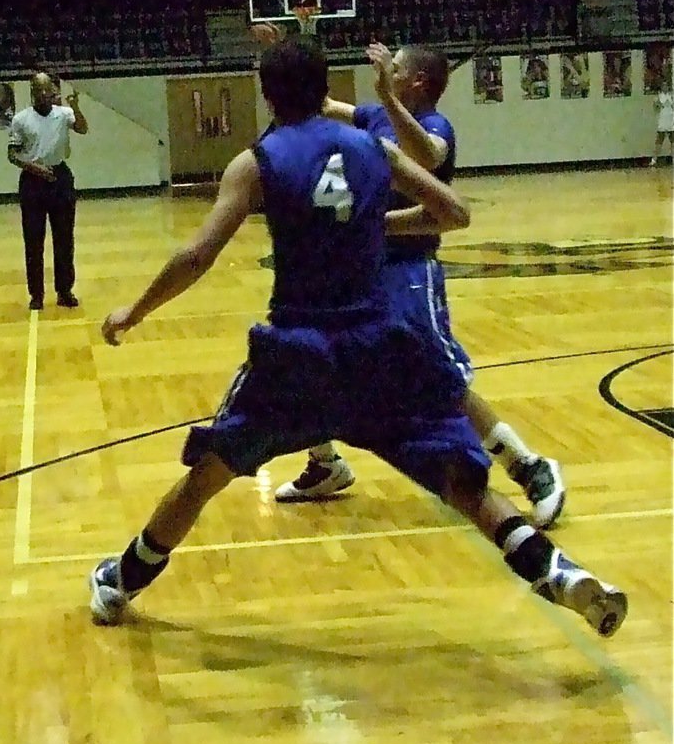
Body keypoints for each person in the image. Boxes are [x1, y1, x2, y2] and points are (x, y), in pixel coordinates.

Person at [87, 36, 627, 639]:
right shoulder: (373, 146)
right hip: (380, 346)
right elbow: (453, 213)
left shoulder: (256, 160)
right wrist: (377, 222)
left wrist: (134, 310)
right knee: (462, 484)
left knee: (209, 473)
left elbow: (197, 255)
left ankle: (121, 580)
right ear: (327, 91)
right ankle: (552, 567)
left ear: (266, 95)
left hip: (298, 351)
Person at [269, 39, 565, 530]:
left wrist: (372, 218)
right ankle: (325, 463)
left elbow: (426, 160)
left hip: (410, 269)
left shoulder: (431, 125)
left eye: (396, 68)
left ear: (415, 82)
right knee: (309, 356)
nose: (386, 70)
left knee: (439, 376)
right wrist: (288, 47)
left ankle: (528, 465)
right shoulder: (370, 115)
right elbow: (313, 99)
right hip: (363, 272)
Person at [7, 72, 88, 311]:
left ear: (53, 90)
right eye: (38, 90)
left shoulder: (64, 114)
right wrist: (35, 168)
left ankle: (64, 291)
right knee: (33, 241)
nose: (43, 94)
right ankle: (37, 295)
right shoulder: (21, 119)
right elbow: (12, 155)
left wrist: (76, 107)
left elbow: (82, 129)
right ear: (32, 91)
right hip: (33, 182)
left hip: (60, 178)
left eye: (46, 89)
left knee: (64, 239)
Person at [651, 85, 673, 166]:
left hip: (671, 123)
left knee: (673, 143)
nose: (665, 88)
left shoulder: (671, 96)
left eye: (666, 86)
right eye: (663, 86)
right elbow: (656, 109)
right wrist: (657, 103)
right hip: (662, 124)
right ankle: (654, 160)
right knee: (658, 143)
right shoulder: (658, 97)